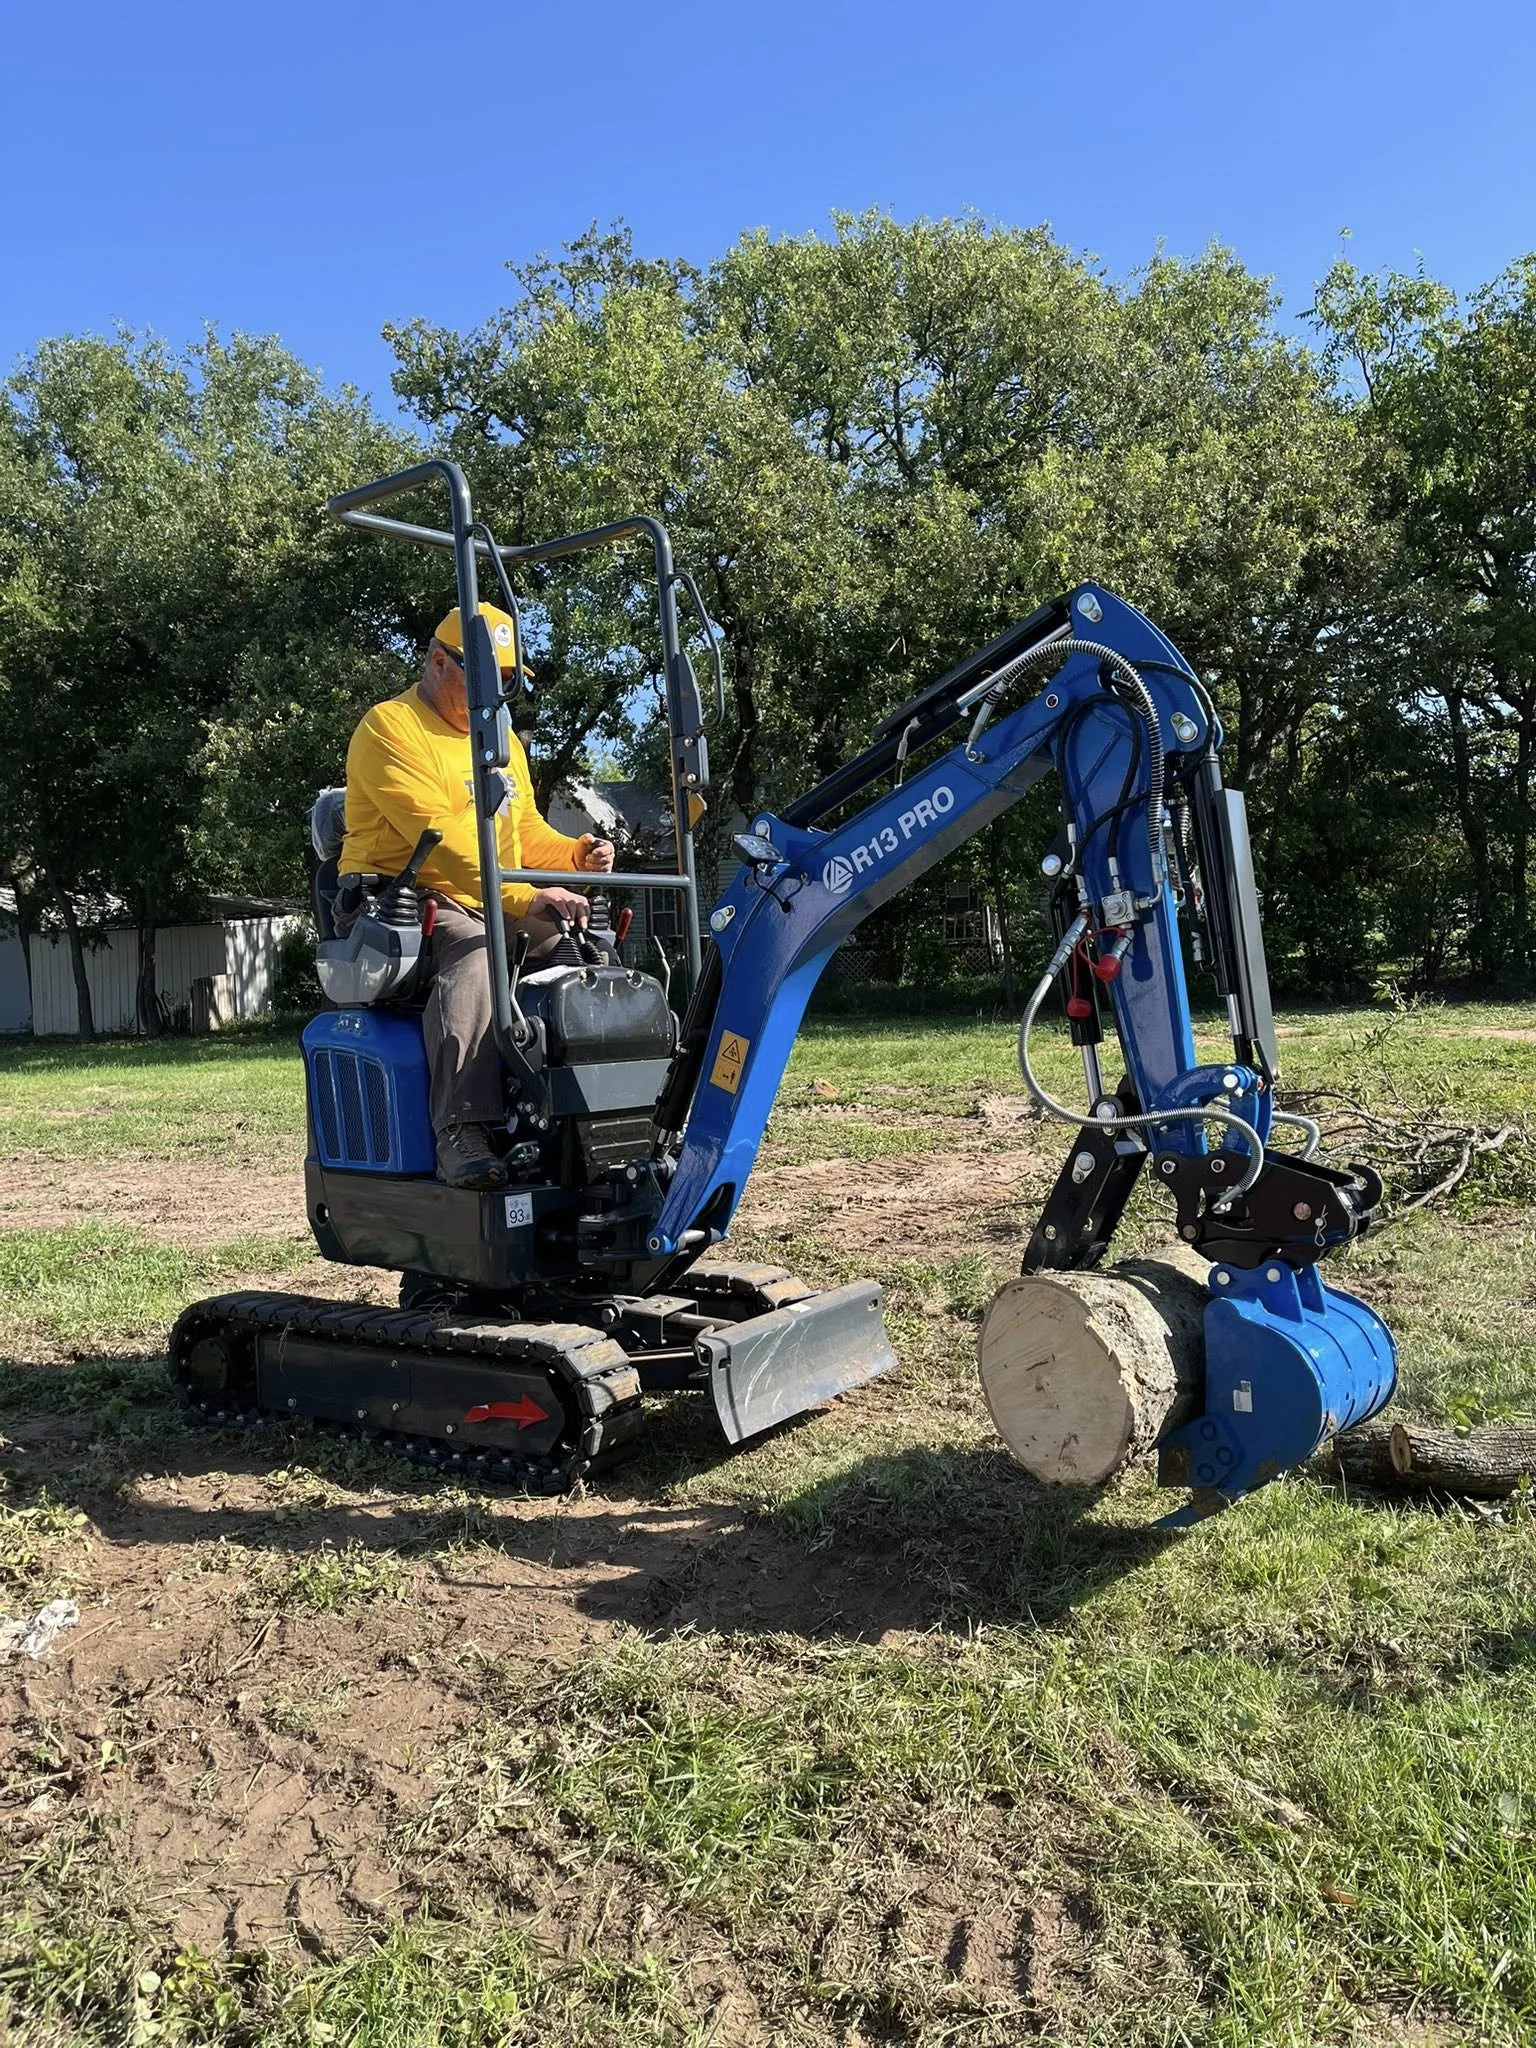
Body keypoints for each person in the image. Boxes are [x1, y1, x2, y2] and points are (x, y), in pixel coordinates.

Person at [340, 602, 615, 1190]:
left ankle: (588, 1119)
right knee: (475, 952)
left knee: (587, 953)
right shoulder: (391, 728)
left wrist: (574, 855)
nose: (499, 693)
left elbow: (523, 831)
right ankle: (461, 1131)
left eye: (509, 680)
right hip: (400, 900)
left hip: (489, 896)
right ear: (439, 662)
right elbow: (441, 843)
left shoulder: (501, 739)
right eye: (488, 678)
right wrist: (522, 898)